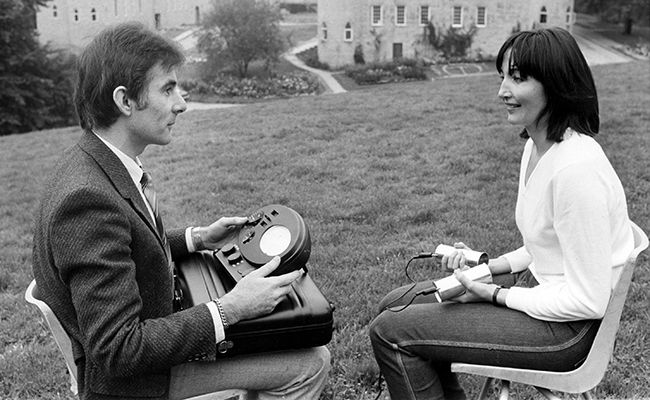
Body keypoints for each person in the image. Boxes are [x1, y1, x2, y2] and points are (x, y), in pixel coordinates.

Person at [32, 22, 329, 400]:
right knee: (310, 362)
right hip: (134, 383)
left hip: (154, 328)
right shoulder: (87, 202)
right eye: (167, 89)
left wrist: (198, 238)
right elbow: (118, 350)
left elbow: (127, 246)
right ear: (125, 101)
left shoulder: (97, 163)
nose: (182, 104)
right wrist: (229, 310)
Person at [369, 27, 635, 400]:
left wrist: (494, 295)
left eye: (518, 78)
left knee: (391, 332)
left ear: (556, 84)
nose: (502, 91)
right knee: (396, 305)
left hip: (569, 332)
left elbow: (588, 301)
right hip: (548, 302)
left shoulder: (576, 171)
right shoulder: (538, 148)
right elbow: (546, 244)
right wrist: (486, 267)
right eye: (503, 77)